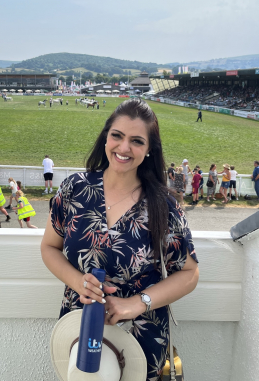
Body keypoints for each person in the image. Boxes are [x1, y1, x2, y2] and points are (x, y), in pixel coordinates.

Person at [41, 99, 199, 381]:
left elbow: (190, 273)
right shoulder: (74, 189)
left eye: (137, 141)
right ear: (106, 138)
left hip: (139, 342)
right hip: (78, 329)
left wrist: (138, 303)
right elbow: (49, 247)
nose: (124, 148)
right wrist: (79, 282)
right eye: (117, 136)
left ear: (149, 150)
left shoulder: (164, 206)